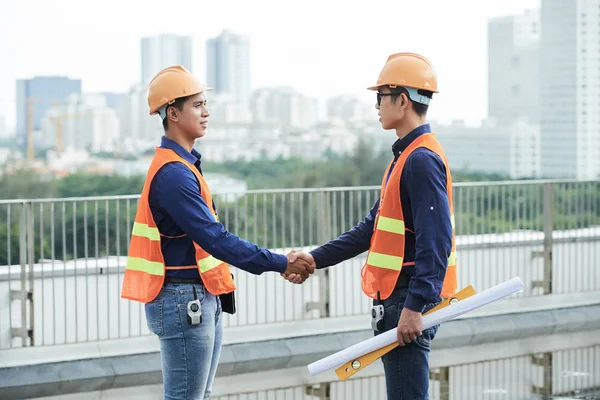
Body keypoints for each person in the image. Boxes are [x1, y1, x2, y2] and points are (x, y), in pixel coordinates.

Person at [120, 65, 314, 400]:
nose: (206, 112)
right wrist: (282, 262)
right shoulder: (174, 176)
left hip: (199, 298)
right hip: (184, 301)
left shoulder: (184, 167)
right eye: (197, 105)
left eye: (205, 103)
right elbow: (217, 240)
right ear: (173, 113)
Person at [284, 53, 457, 399]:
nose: (377, 105)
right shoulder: (406, 157)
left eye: (380, 97)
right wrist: (315, 259)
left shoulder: (420, 160)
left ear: (403, 100)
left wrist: (414, 307)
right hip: (398, 299)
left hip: (406, 300)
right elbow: (370, 230)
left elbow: (436, 243)